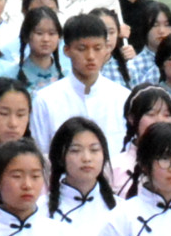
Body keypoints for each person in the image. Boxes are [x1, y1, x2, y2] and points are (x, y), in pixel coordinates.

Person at [31, 14, 130, 153]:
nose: (90, 56)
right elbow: (41, 154)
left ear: (107, 49)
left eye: (97, 48)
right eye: (82, 49)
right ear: (67, 50)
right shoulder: (45, 100)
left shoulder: (123, 98)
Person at [110, 84, 171, 195]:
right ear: (132, 118)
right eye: (151, 114)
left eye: (166, 115)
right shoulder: (114, 168)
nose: (159, 121)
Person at [7, 6, 64, 96]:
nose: (46, 39)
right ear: (26, 36)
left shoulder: (67, 75)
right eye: (39, 33)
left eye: (52, 33)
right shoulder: (10, 77)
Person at [131, 2, 171, 85]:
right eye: (155, 25)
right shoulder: (133, 66)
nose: (162, 31)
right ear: (145, 29)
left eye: (167, 25)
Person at [92, 6, 135, 90]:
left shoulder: (130, 68)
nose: (107, 38)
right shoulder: (80, 68)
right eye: (101, 32)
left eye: (111, 32)